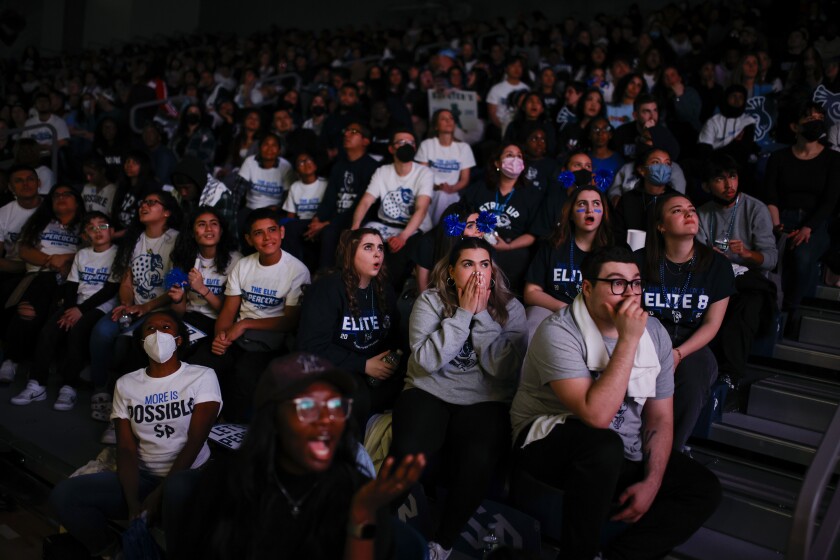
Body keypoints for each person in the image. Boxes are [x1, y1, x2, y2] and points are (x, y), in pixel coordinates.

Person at [510, 246, 721, 560]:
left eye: (635, 283)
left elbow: (660, 418)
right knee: (603, 445)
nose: (630, 294)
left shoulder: (655, 333)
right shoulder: (558, 332)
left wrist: (652, 481)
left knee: (702, 487)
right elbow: (596, 416)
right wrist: (627, 340)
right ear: (588, 288)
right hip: (545, 439)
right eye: (617, 284)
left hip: (618, 446)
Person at [182, 352, 426, 560]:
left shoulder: (359, 492)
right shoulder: (225, 479)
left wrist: (361, 519)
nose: (326, 420)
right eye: (308, 407)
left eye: (335, 407)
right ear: (273, 417)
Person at [389, 237, 527, 560]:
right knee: (409, 448)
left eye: (484, 265)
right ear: (452, 271)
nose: (478, 273)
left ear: (493, 271)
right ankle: (373, 523)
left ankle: (443, 542)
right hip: (428, 389)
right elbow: (425, 361)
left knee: (480, 457)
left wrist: (482, 318)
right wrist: (463, 314)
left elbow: (502, 369)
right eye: (468, 264)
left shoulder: (513, 309)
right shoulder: (431, 301)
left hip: (485, 399)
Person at [50, 310, 222, 558]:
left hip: (189, 477)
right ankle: (115, 551)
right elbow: (127, 449)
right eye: (150, 329)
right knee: (64, 495)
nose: (158, 333)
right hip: (142, 478)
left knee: (177, 489)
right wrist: (133, 503)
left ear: (179, 340)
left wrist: (156, 497)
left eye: (166, 327)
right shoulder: (126, 384)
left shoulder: (201, 376)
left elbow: (195, 441)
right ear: (142, 342)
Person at [637, 193, 735, 450]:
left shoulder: (717, 266)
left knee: (693, 378)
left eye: (691, 209)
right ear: (661, 226)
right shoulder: (639, 261)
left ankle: (668, 453)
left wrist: (679, 353)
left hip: (693, 345)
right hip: (645, 340)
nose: (689, 214)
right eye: (677, 211)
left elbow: (712, 324)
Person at [197, 208, 310, 421]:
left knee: (243, 374)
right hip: (239, 334)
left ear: (282, 232)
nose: (267, 237)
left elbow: (290, 321)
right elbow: (229, 309)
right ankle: (204, 422)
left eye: (272, 230)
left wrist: (245, 324)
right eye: (259, 233)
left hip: (270, 341)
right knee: (206, 363)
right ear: (249, 239)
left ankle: (234, 426)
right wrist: (221, 337)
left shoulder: (297, 271)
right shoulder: (243, 265)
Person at [88, 192, 181, 435]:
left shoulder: (176, 240)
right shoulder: (134, 239)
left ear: (167, 212)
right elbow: (127, 280)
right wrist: (127, 303)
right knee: (101, 331)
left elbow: (175, 288)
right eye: (143, 201)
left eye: (152, 203)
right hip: (134, 307)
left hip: (160, 311)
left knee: (124, 344)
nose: (144, 205)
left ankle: (123, 414)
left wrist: (146, 307)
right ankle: (100, 392)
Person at [10, 212, 118, 409]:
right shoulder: (82, 254)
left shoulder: (118, 254)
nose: (98, 231)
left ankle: (69, 387)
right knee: (49, 329)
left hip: (101, 307)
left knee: (77, 331)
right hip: (78, 304)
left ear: (112, 230)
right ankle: (37, 383)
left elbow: (110, 289)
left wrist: (80, 311)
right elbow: (71, 285)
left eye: (102, 226)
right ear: (85, 236)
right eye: (91, 228)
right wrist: (69, 309)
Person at [696, 155, 778, 409]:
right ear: (707, 185)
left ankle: (731, 374)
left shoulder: (755, 208)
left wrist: (746, 254)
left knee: (746, 306)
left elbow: (770, 259)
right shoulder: (702, 213)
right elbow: (693, 256)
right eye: (720, 179)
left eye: (732, 176)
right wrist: (709, 257)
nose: (728, 184)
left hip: (749, 280)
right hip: (714, 278)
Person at [298, 229, 403, 421]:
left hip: (373, 369)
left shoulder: (384, 289)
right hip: (337, 367)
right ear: (350, 253)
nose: (377, 253)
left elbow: (394, 336)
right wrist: (363, 365)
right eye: (368, 247)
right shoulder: (327, 289)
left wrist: (390, 361)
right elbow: (310, 347)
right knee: (356, 397)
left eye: (380, 247)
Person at [764, 102, 840, 332]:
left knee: (802, 256)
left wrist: (808, 228)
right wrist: (777, 225)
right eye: (809, 119)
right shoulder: (778, 158)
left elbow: (830, 201)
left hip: (817, 223)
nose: (815, 123)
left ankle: (791, 310)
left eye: (819, 118)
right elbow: (771, 196)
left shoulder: (833, 160)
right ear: (795, 126)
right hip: (782, 219)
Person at [0, 184, 84, 383]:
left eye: (67, 193)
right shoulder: (40, 222)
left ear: (77, 201)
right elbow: (25, 251)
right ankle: (12, 360)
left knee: (55, 309)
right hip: (40, 274)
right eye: (56, 196)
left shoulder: (85, 225)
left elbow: (95, 251)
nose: (61, 197)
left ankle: (40, 362)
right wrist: (51, 262)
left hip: (72, 278)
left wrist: (66, 258)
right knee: (28, 310)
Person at [524, 187, 613, 339]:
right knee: (534, 318)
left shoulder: (612, 251)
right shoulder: (552, 245)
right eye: (582, 204)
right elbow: (531, 292)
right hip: (554, 310)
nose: (589, 210)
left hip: (595, 316)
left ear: (603, 212)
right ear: (571, 214)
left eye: (596, 204)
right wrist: (564, 308)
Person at [351, 129, 433, 287]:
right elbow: (366, 201)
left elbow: (421, 209)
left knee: (397, 257)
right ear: (391, 148)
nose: (406, 146)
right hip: (385, 224)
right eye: (401, 142)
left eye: (410, 143)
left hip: (414, 229)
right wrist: (355, 226)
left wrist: (403, 237)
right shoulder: (382, 171)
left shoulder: (424, 173)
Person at [461, 143, 539, 292]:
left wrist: (509, 246)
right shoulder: (479, 188)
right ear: (497, 163)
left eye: (519, 156)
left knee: (518, 257)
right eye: (509, 155)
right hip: (479, 242)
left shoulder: (531, 195)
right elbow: (464, 217)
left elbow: (533, 234)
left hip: (513, 248)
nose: (515, 159)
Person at [168, 206, 241, 359]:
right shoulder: (183, 258)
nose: (208, 229)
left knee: (197, 359)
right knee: (166, 351)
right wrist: (178, 299)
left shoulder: (237, 261)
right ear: (193, 233)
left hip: (219, 322)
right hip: (190, 318)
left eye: (214, 224)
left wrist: (202, 289)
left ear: (221, 231)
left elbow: (231, 314)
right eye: (201, 224)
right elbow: (179, 312)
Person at [306, 122, 380, 268]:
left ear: (365, 141)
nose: (346, 134)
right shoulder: (339, 165)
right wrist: (317, 218)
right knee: (296, 230)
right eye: (346, 131)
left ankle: (324, 277)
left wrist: (326, 224)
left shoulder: (372, 167)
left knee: (329, 232)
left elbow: (362, 206)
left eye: (353, 131)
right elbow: (329, 197)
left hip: (356, 220)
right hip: (332, 218)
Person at [415, 109, 476, 225]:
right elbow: (421, 174)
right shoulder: (427, 145)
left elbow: (464, 179)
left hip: (452, 193)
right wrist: (437, 186)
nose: (449, 121)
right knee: (441, 196)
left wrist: (451, 188)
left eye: (451, 118)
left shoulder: (463, 148)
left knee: (444, 196)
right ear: (436, 126)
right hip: (429, 191)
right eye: (444, 119)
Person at [234, 133, 293, 212]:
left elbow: (288, 196)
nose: (269, 149)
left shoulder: (285, 166)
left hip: (275, 211)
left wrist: (279, 209)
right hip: (251, 208)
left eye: (274, 146)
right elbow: (238, 191)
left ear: (279, 150)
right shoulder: (250, 161)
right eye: (266, 144)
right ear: (259, 148)